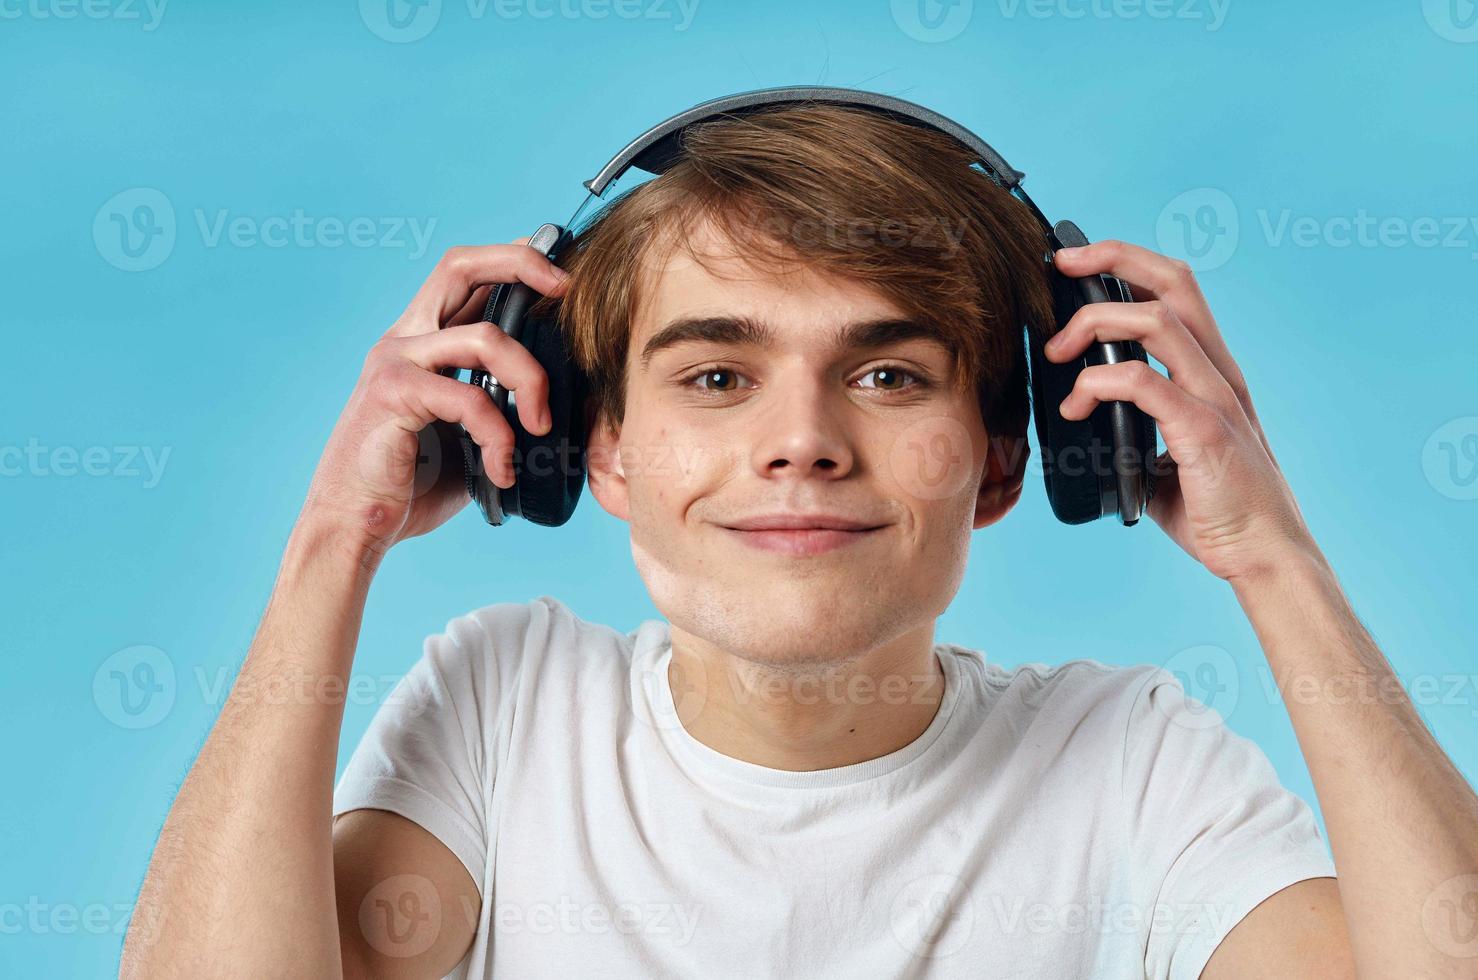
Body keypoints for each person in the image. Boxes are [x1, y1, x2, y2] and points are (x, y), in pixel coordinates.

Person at [120, 102, 1478, 979]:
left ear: (1016, 458)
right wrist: (332, 542)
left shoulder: (1125, 764)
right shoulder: (503, 709)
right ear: (589, 451)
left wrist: (1273, 560)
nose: (802, 442)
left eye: (887, 376)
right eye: (715, 377)